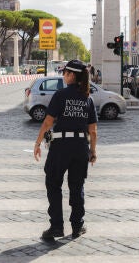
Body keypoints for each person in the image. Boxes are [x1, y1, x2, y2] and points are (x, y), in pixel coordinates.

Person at [33, 59, 98, 240]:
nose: (63, 75)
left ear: (71, 75)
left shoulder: (60, 95)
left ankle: (56, 227)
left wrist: (38, 143)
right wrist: (93, 151)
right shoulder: (88, 98)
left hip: (60, 147)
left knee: (53, 185)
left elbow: (48, 122)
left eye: (65, 73)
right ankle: (77, 226)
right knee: (77, 187)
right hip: (79, 147)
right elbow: (92, 130)